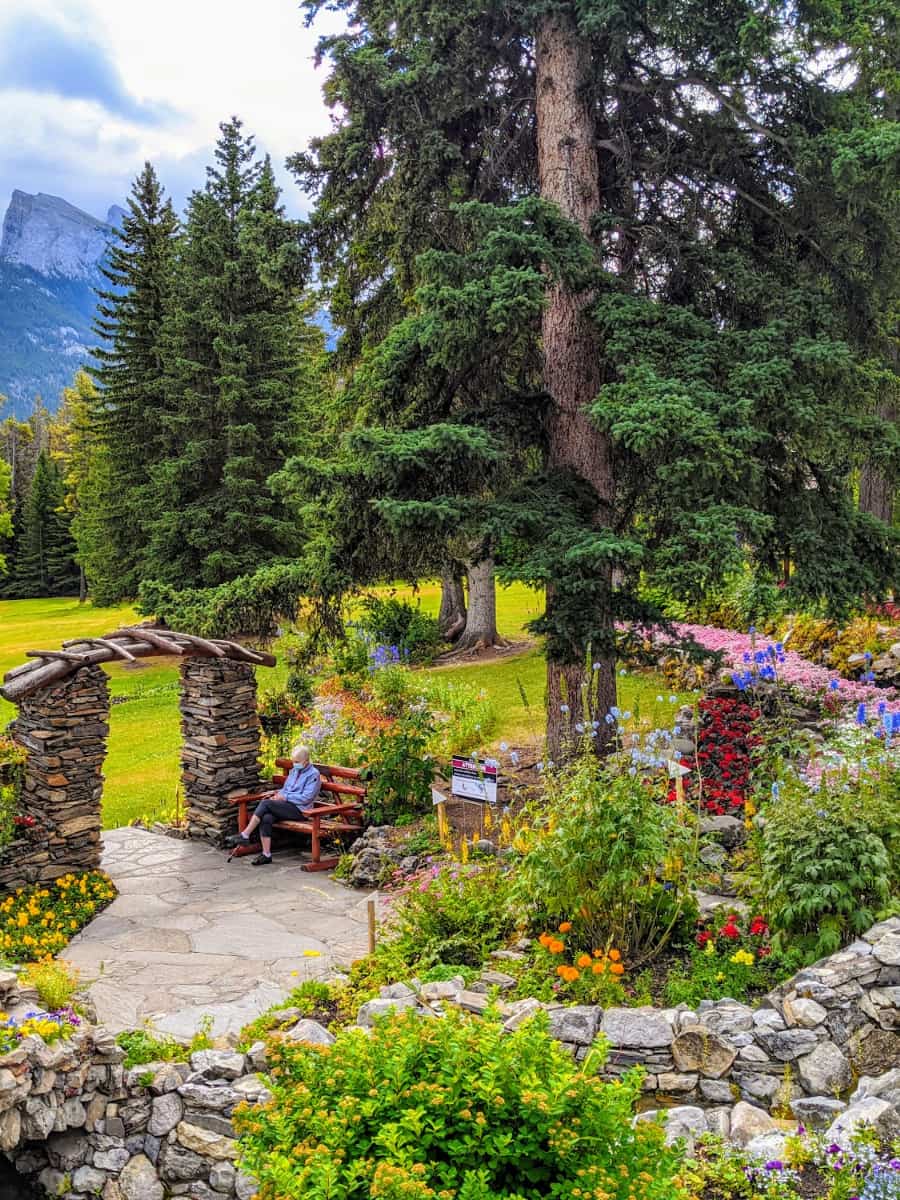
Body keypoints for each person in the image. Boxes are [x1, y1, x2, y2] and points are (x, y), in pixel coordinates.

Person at [225, 744, 321, 865]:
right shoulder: (295, 770)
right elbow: (285, 789)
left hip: (301, 811)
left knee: (266, 804)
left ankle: (245, 834)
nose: (294, 764)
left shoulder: (313, 774)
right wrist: (277, 796)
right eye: (293, 761)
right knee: (266, 817)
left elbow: (306, 798)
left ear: (306, 761)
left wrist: (284, 797)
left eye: (297, 762)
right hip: (286, 806)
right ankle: (266, 855)